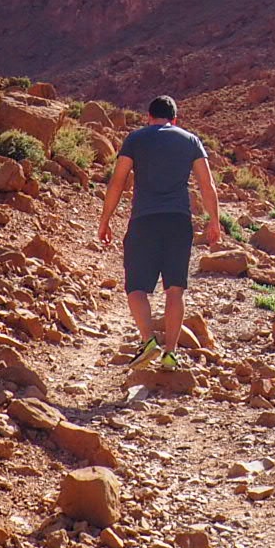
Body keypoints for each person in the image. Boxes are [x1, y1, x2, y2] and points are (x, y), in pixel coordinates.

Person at [97, 95, 222, 369]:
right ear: (174, 119)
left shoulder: (136, 139)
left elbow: (118, 181)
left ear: (148, 117)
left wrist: (105, 219)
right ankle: (170, 353)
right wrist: (214, 220)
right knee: (175, 289)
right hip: (178, 220)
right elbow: (206, 183)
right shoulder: (189, 140)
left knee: (136, 287)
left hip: (144, 220)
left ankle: (148, 340)